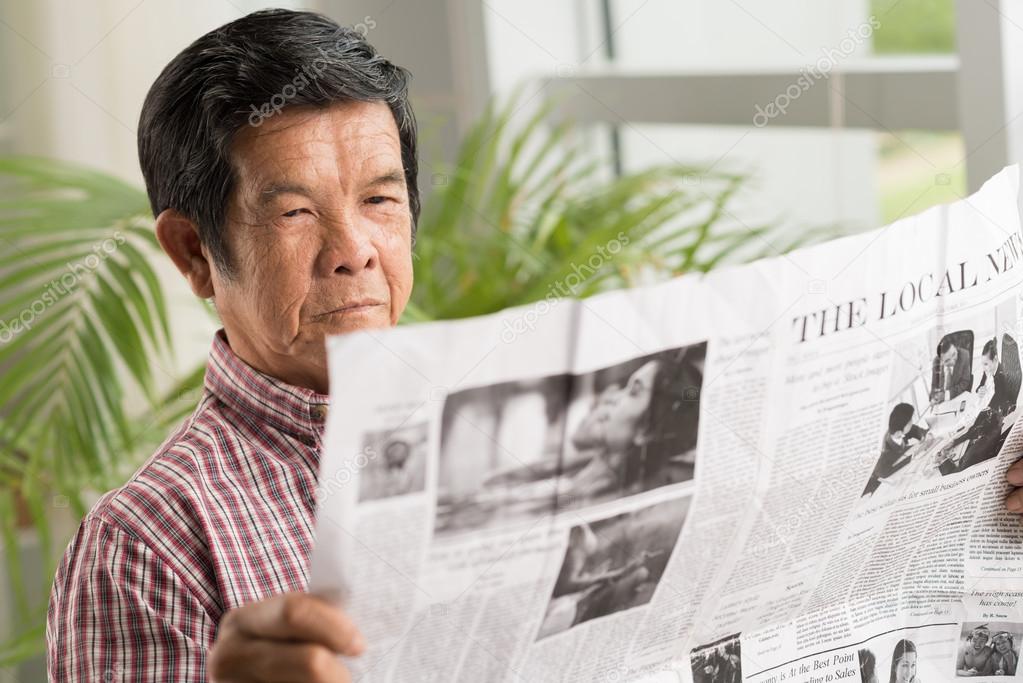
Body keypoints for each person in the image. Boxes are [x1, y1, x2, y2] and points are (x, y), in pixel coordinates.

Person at [46, 9, 418, 681]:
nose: (355, 252)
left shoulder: (521, 425)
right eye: (294, 212)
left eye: (380, 199)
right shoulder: (143, 543)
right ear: (193, 253)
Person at [863, 403, 928, 496]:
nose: (912, 422)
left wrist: (924, 435)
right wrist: (911, 457)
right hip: (884, 485)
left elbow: (915, 430)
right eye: (910, 421)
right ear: (899, 432)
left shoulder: (898, 431)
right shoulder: (885, 450)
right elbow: (882, 473)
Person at [931, 337, 972, 403]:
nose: (953, 361)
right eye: (947, 360)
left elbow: (965, 382)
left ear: (955, 348)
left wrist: (946, 395)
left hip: (957, 398)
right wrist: (934, 397)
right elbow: (934, 386)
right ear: (941, 361)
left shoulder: (965, 355)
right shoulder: (936, 362)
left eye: (954, 354)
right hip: (941, 404)